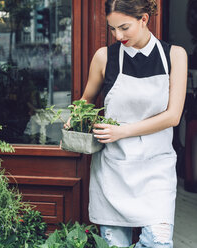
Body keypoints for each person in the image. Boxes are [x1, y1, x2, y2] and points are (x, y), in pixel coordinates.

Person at [77, 0, 188, 247]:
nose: (118, 36)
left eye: (124, 27)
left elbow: (173, 116)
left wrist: (122, 131)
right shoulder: (104, 57)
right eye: (112, 29)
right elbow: (85, 102)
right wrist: (76, 120)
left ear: (144, 19)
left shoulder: (174, 55)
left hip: (156, 169)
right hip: (113, 169)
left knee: (158, 243)